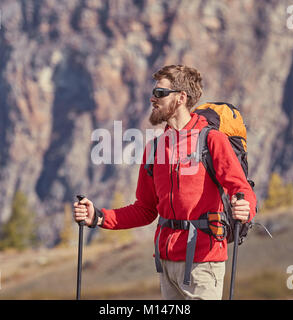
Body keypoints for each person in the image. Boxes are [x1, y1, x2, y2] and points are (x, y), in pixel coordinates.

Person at [73, 65, 256, 300]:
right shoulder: (155, 148)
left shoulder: (212, 140)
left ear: (181, 98)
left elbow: (241, 188)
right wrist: (98, 217)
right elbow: (145, 209)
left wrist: (246, 208)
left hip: (202, 263)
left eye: (160, 93)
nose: (153, 98)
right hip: (166, 264)